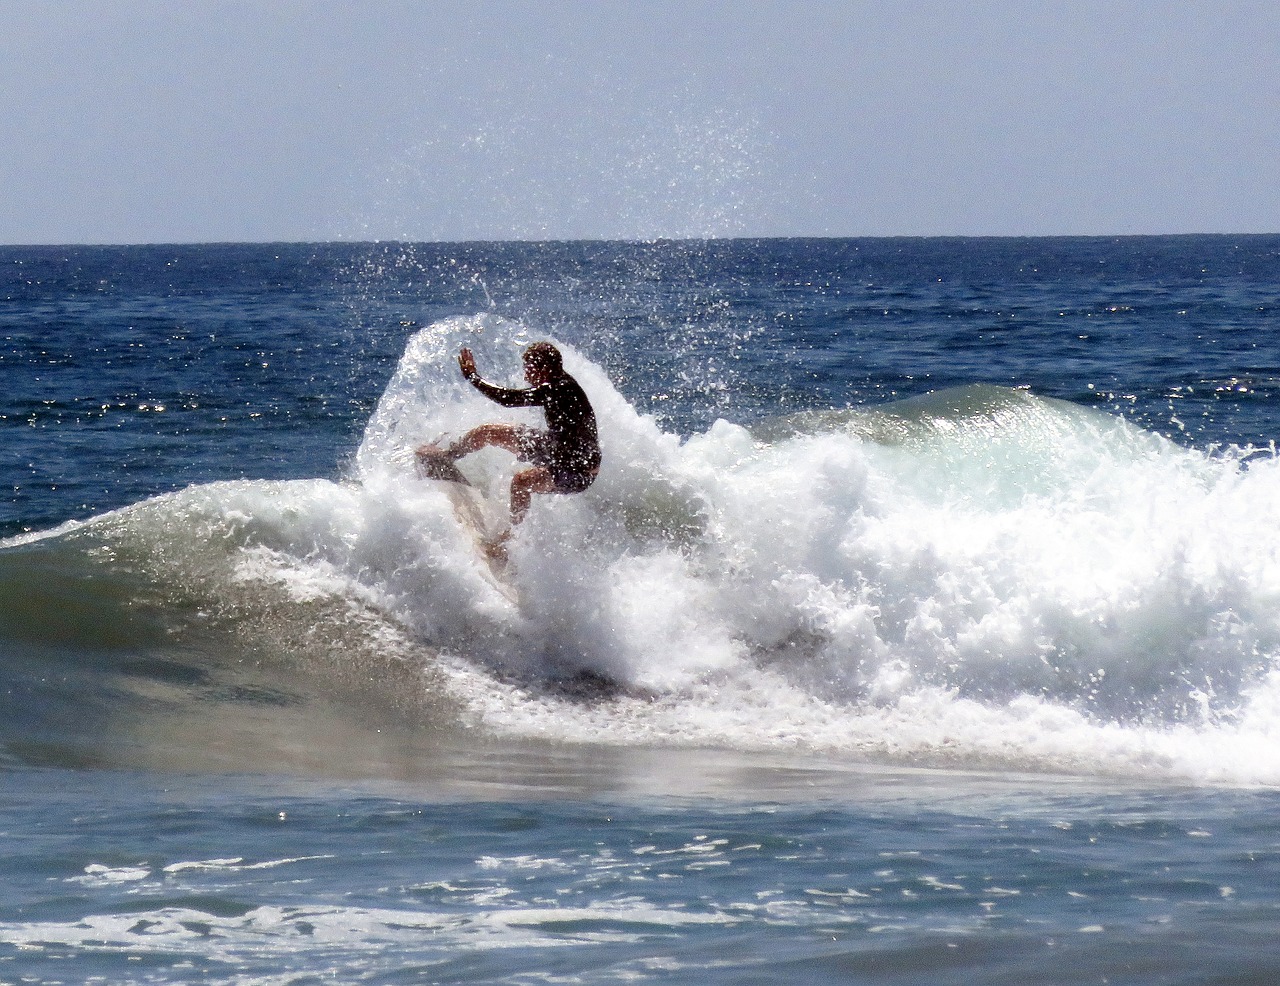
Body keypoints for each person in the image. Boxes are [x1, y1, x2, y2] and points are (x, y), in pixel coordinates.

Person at [417, 342, 601, 542]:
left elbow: (508, 399)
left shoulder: (561, 388)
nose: (526, 376)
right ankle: (447, 456)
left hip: (578, 471)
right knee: (488, 432)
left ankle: (512, 540)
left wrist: (473, 377)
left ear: (544, 369)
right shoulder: (556, 384)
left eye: (529, 370)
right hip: (554, 447)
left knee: (521, 482)